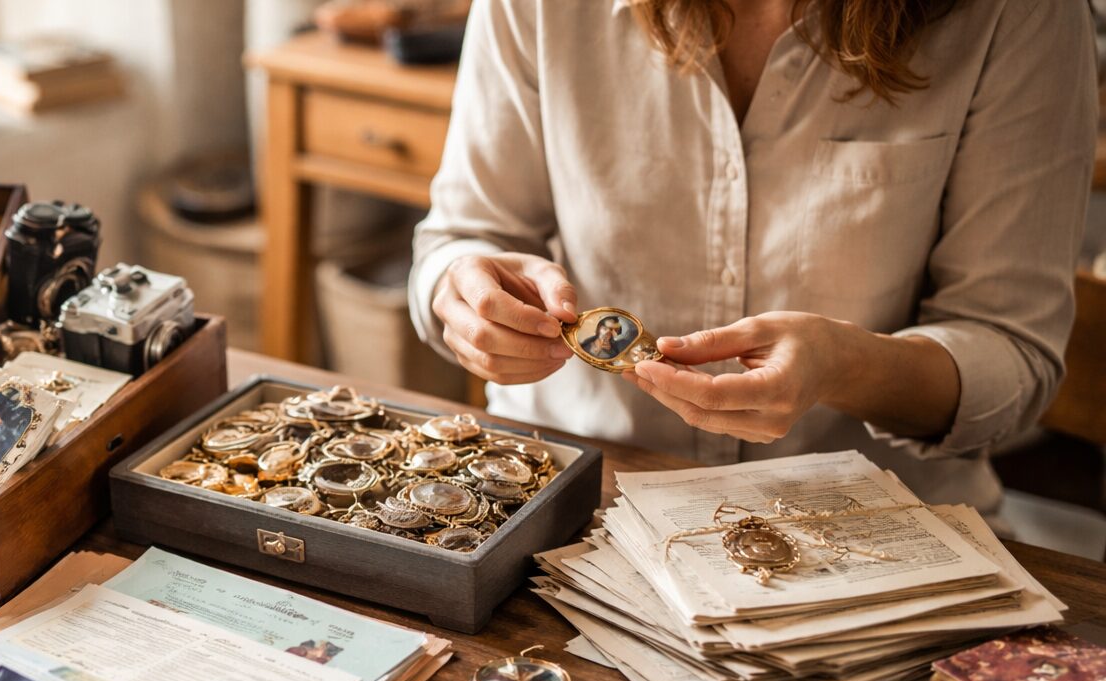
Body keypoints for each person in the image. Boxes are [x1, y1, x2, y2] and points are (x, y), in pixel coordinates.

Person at [409, 0, 1095, 513]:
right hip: (571, 502)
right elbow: (460, 238)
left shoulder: (1019, 14)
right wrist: (459, 294)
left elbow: (1013, 353)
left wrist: (846, 368)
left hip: (875, 530)